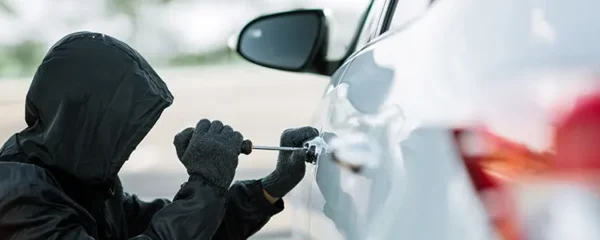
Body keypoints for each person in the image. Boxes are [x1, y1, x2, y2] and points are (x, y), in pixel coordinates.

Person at [0, 31, 319, 240]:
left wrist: (270, 187)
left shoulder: (79, 181)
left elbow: (192, 228)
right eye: (119, 133)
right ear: (80, 120)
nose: (126, 150)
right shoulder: (19, 199)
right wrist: (205, 183)